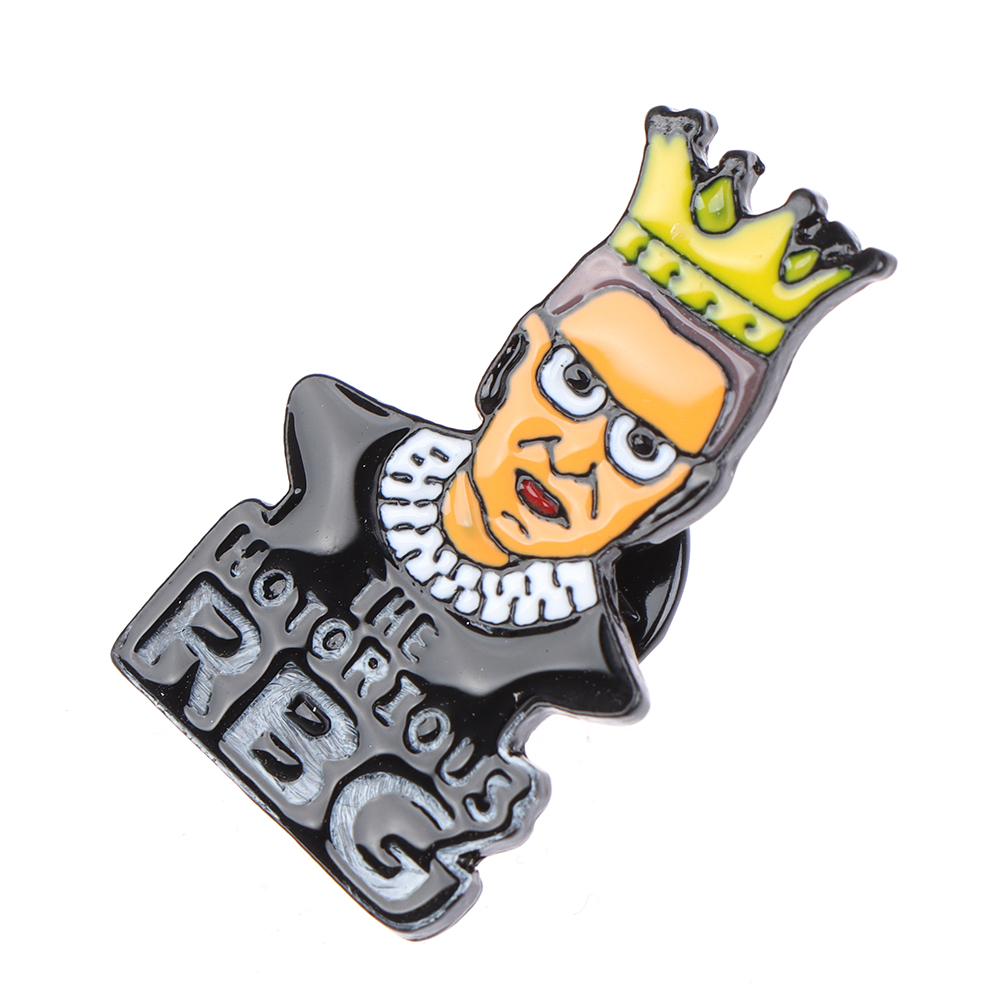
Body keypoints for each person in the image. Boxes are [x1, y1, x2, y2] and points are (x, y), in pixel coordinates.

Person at [112, 106, 893, 938]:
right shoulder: (337, 445)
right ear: (513, 358)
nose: (570, 458)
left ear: (678, 500)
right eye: (576, 385)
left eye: (640, 446)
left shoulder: (578, 661)